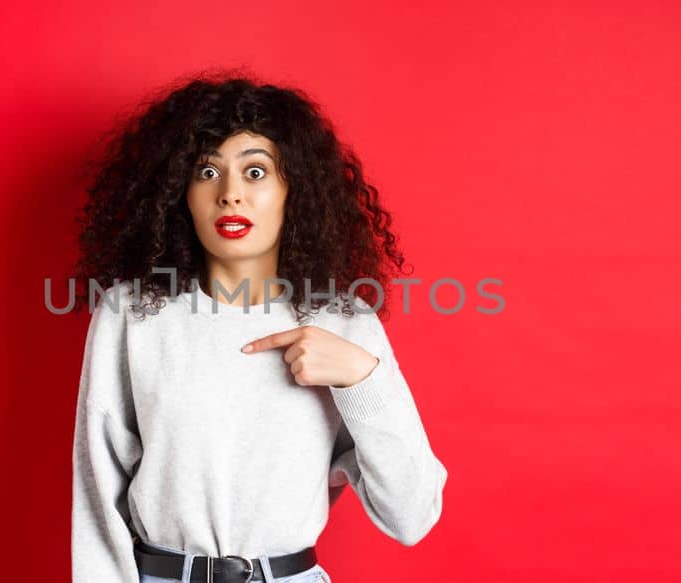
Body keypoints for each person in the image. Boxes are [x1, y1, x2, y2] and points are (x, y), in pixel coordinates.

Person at [70, 74, 448, 583]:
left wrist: (364, 381)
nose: (230, 195)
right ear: (179, 192)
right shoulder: (133, 313)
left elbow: (411, 517)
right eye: (207, 171)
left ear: (295, 188)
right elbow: (97, 496)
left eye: (255, 172)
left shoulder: (342, 323)